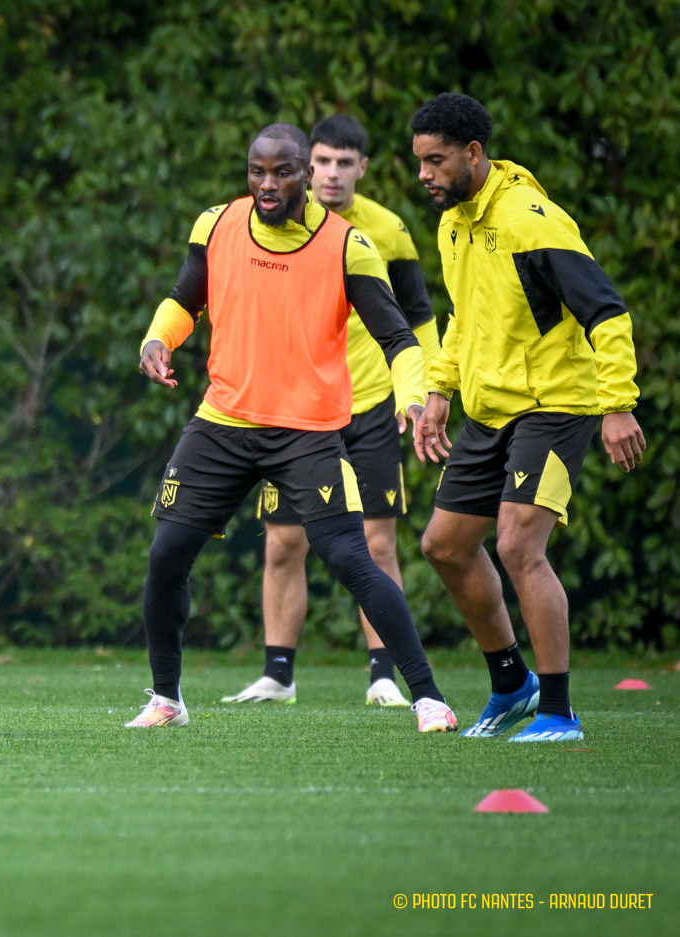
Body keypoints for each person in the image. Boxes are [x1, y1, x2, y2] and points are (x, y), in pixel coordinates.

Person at [131, 123, 457, 733]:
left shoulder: (348, 246)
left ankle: (427, 696)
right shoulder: (217, 224)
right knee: (167, 556)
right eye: (257, 171)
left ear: (307, 175)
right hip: (222, 422)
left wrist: (414, 401)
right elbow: (184, 298)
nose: (267, 184)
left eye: (282, 172)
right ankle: (166, 699)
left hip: (307, 433)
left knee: (352, 558)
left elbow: (399, 337)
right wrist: (158, 337)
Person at [410, 93, 644, 743]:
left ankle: (559, 711)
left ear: (473, 154)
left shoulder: (531, 222)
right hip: (491, 411)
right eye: (419, 162)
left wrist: (617, 404)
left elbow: (607, 311)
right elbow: (464, 315)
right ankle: (513, 686)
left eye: (436, 162)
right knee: (445, 546)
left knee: (517, 543)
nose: (424, 175)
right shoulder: (454, 221)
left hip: (555, 406)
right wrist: (438, 391)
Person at [224, 114, 441, 708]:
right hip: (293, 409)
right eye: (322, 161)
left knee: (374, 545)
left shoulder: (386, 233)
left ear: (362, 169)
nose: (331, 173)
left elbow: (416, 319)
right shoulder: (260, 227)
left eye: (345, 163)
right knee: (282, 542)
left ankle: (383, 678)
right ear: (304, 164)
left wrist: (423, 391)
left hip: (369, 406)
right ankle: (278, 675)